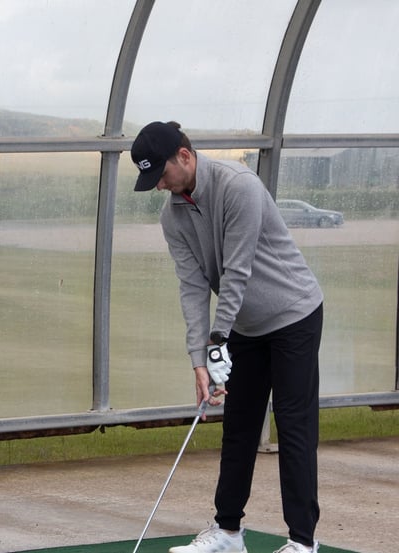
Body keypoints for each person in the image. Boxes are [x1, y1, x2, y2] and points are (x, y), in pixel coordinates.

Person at [131, 121, 323, 553]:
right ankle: (228, 532)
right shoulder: (172, 215)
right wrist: (200, 358)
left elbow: (238, 270)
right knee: (238, 427)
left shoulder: (240, 186)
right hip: (245, 326)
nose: (159, 186)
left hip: (293, 314)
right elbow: (193, 286)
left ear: (184, 155)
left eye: (160, 174)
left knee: (293, 427)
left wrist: (219, 339)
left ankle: (302, 542)